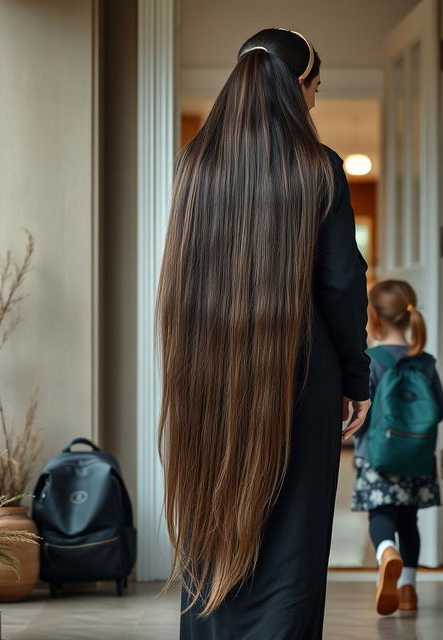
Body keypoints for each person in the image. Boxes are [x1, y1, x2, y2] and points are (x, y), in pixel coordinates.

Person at [156, 28, 371, 640]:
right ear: (297, 87)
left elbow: (181, 273)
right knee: (293, 540)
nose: (315, 104)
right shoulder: (319, 167)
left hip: (206, 369)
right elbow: (341, 284)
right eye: (316, 90)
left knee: (213, 519)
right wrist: (357, 379)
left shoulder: (194, 165)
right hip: (303, 376)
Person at [351, 280, 443, 616]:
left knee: (382, 515)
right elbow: (442, 410)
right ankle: (408, 588)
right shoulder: (425, 361)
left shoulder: (370, 360)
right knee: (410, 521)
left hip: (376, 457)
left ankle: (386, 552)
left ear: (373, 319)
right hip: (417, 458)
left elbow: (360, 410)